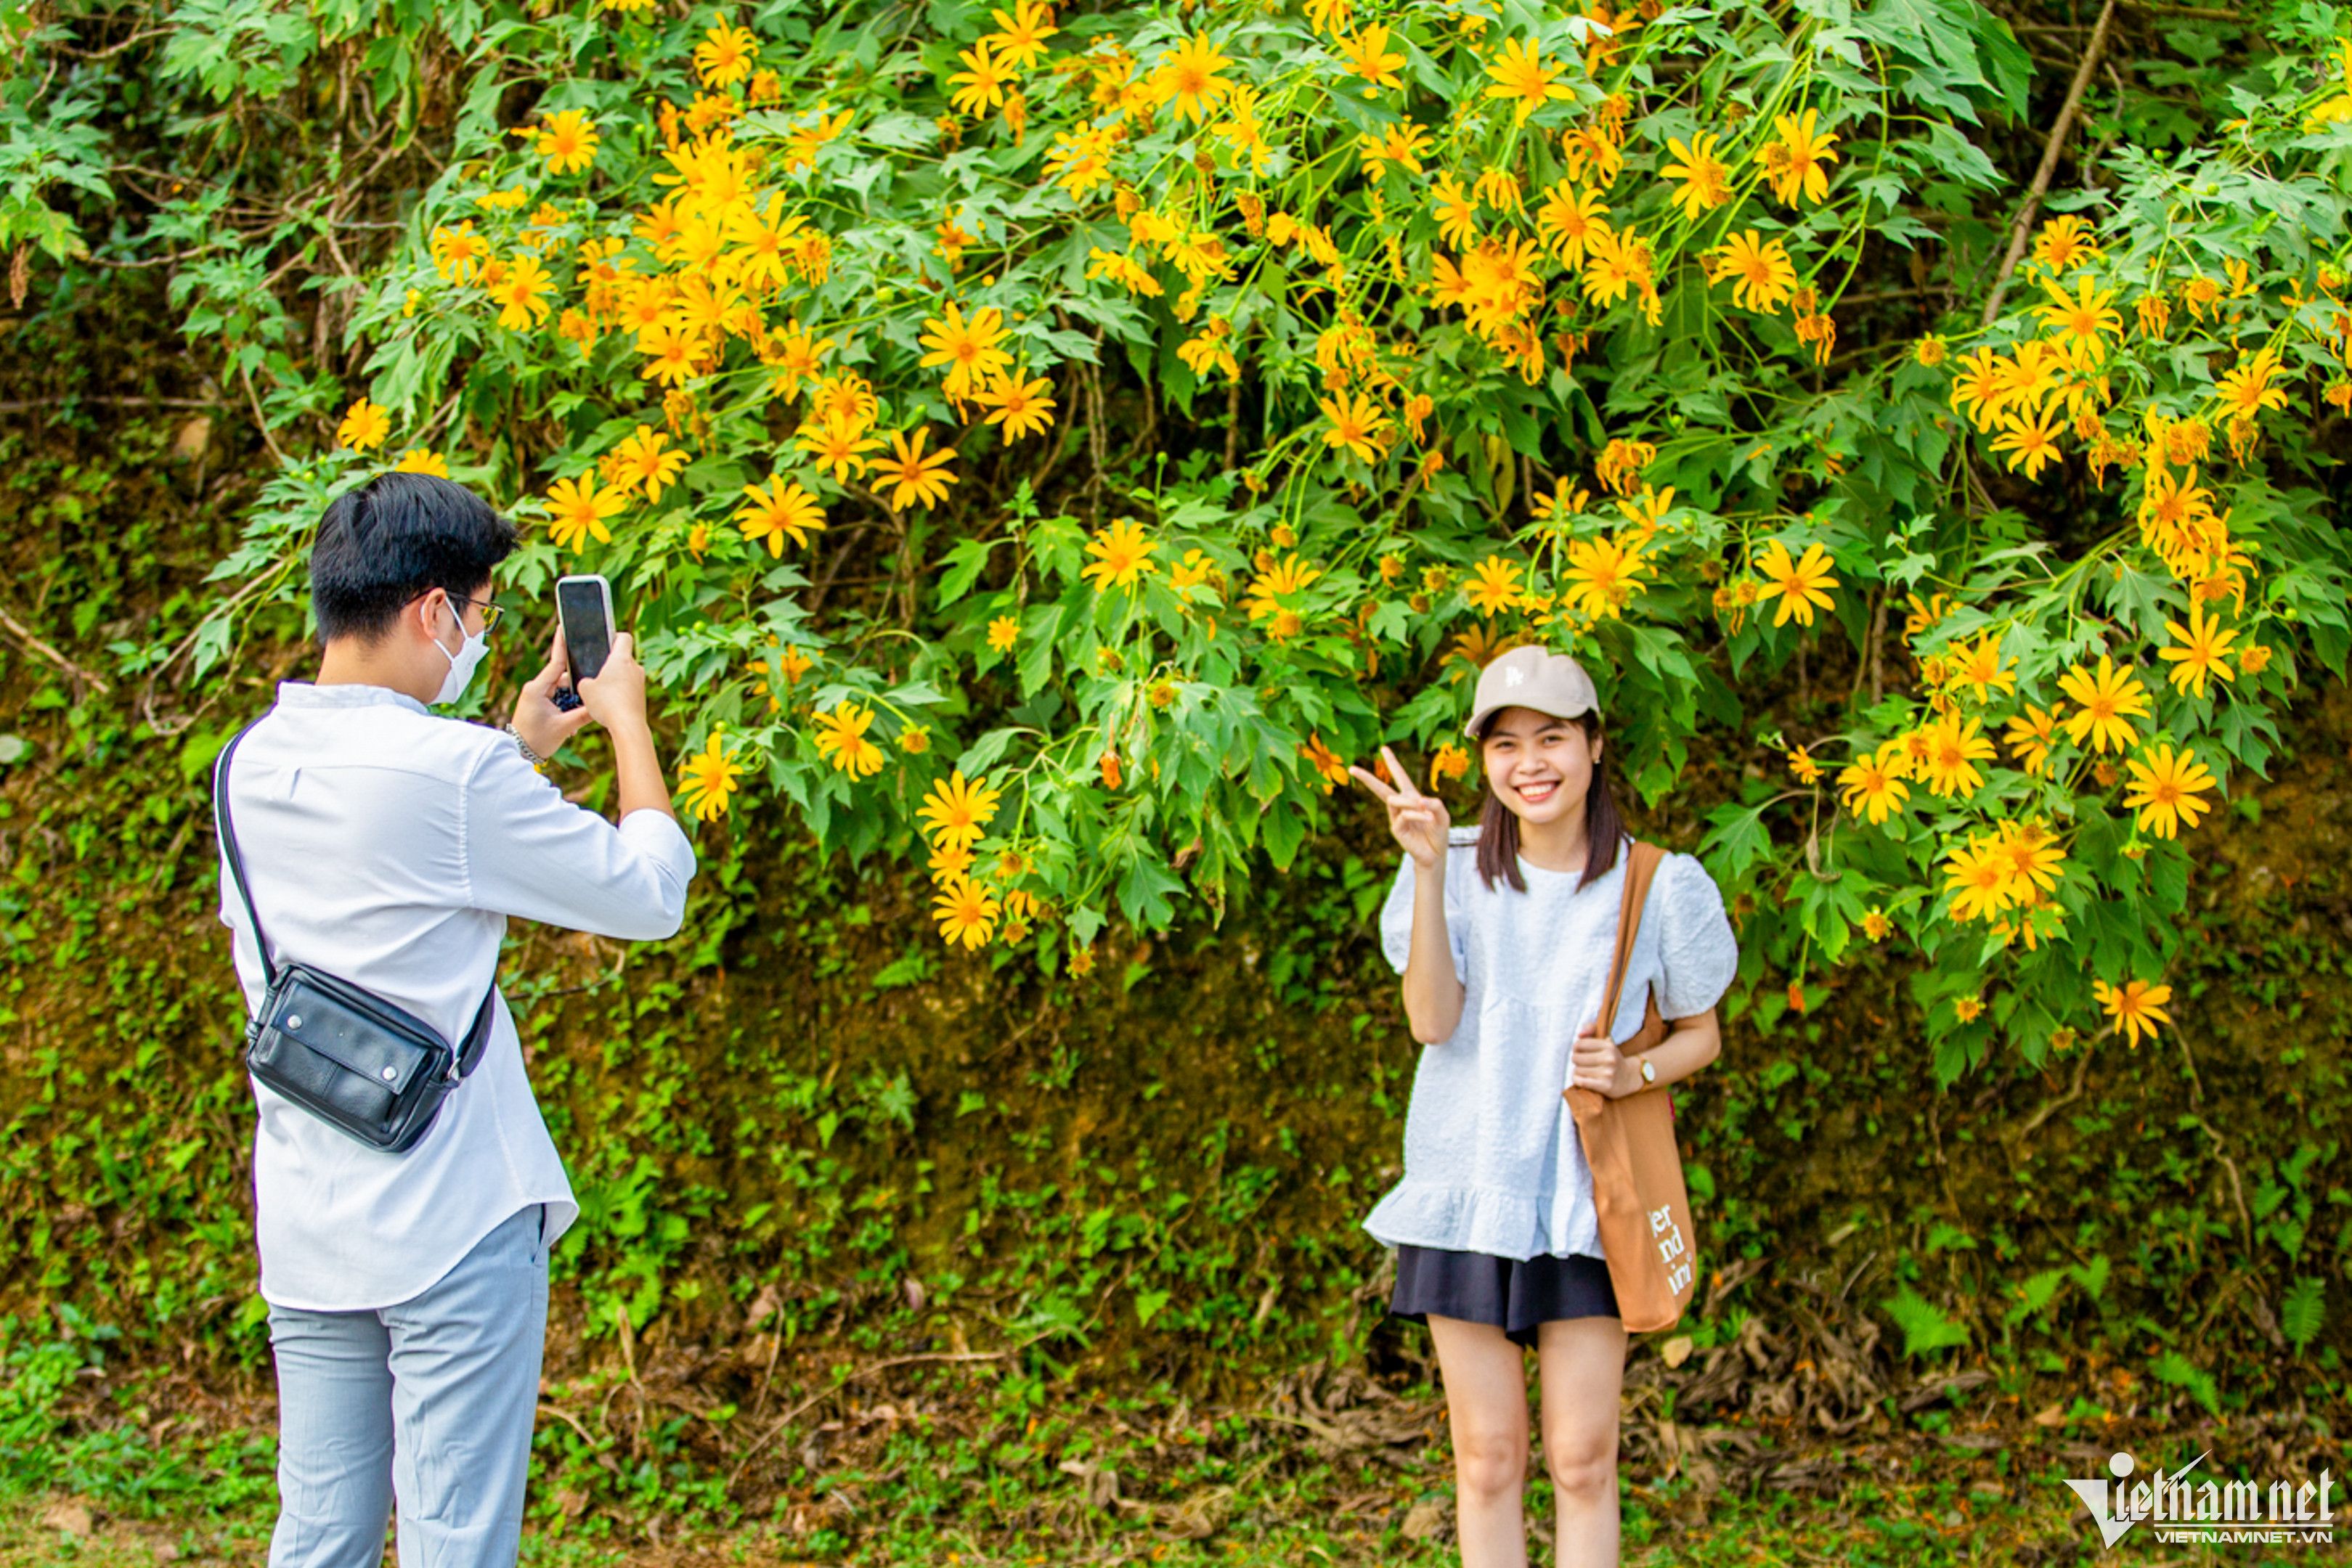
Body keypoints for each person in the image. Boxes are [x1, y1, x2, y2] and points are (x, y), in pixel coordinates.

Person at [213, 470, 696, 1568]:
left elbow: (387, 865)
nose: (480, 634)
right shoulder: (455, 770)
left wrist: (517, 745)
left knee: (320, 1537)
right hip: (449, 1221)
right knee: (454, 1544)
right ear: (434, 611)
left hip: (308, 1213)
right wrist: (626, 727)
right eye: (479, 614)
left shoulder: (248, 763)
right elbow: (648, 895)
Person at [1346, 644, 1737, 1568]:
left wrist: (1629, 1075)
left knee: (1581, 1459)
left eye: (1552, 737)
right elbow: (1431, 1022)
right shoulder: (1449, 863)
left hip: (1584, 1199)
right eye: (1505, 744)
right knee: (1484, 1461)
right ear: (1482, 761)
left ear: (1595, 746)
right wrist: (1432, 871)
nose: (1530, 764)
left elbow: (1700, 1033)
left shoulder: (1656, 885)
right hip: (1468, 1185)